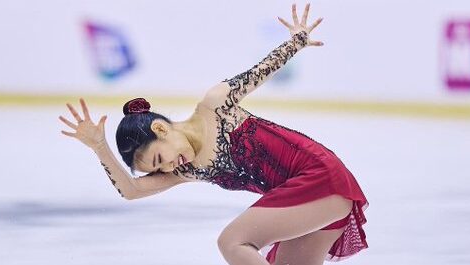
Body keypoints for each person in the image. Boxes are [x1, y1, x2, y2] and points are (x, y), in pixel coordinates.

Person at [59, 3, 368, 264]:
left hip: (319, 178)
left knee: (232, 241)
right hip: (314, 201)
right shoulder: (189, 168)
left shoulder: (215, 106)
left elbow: (262, 70)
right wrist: (100, 147)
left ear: (161, 128)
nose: (168, 168)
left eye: (159, 158)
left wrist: (296, 42)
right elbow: (133, 191)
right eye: (159, 169)